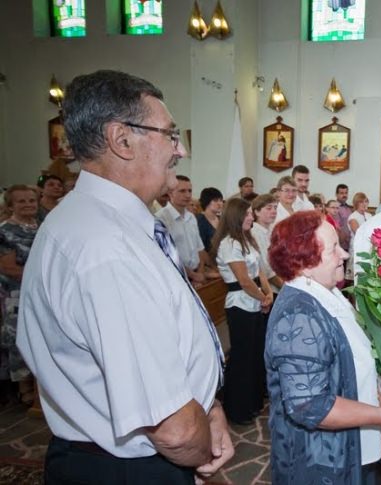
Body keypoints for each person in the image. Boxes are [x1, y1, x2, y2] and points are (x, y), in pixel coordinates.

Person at [16, 70, 232, 483]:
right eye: (170, 134)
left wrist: (209, 406)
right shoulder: (106, 249)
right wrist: (202, 445)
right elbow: (173, 429)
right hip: (128, 469)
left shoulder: (111, 224)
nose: (180, 149)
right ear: (121, 139)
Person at [265, 211, 381, 484]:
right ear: (304, 261)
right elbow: (310, 405)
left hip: (349, 445)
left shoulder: (327, 291)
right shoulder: (298, 316)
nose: (346, 254)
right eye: (334, 249)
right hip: (322, 459)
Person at [211, 198, 273, 425]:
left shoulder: (248, 239)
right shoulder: (229, 243)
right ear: (235, 217)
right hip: (240, 304)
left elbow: (260, 272)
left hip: (256, 301)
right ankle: (238, 408)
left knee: (256, 353)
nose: (251, 217)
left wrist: (268, 293)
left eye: (250, 213)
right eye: (247, 214)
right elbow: (244, 280)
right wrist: (262, 296)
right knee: (242, 356)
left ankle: (253, 401)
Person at [0, 185, 38, 405]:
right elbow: (8, 267)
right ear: (10, 205)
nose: (28, 205)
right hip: (16, 292)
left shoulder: (40, 226)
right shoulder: (5, 230)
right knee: (19, 338)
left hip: (39, 291)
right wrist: (42, 279)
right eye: (21, 201)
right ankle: (24, 387)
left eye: (31, 200)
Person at [156, 175, 209, 284]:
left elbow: (199, 249)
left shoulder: (191, 217)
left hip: (197, 274)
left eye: (190, 191)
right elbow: (166, 255)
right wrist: (193, 275)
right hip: (176, 277)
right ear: (170, 193)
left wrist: (201, 271)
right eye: (182, 191)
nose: (188, 195)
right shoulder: (161, 218)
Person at [251, 194, 283, 296]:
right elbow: (266, 269)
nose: (273, 211)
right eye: (269, 208)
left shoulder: (271, 230)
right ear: (257, 212)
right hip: (270, 290)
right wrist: (284, 287)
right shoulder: (254, 233)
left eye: (275, 207)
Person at [196, 187, 224, 253]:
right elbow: (200, 247)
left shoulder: (222, 219)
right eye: (215, 200)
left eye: (221, 200)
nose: (220, 203)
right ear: (206, 201)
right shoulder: (200, 220)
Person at [334, 184, 353, 251]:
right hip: (341, 244)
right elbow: (337, 227)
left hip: (349, 243)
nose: (344, 195)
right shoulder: (335, 208)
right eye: (341, 193)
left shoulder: (349, 208)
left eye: (346, 193)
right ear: (336, 194)